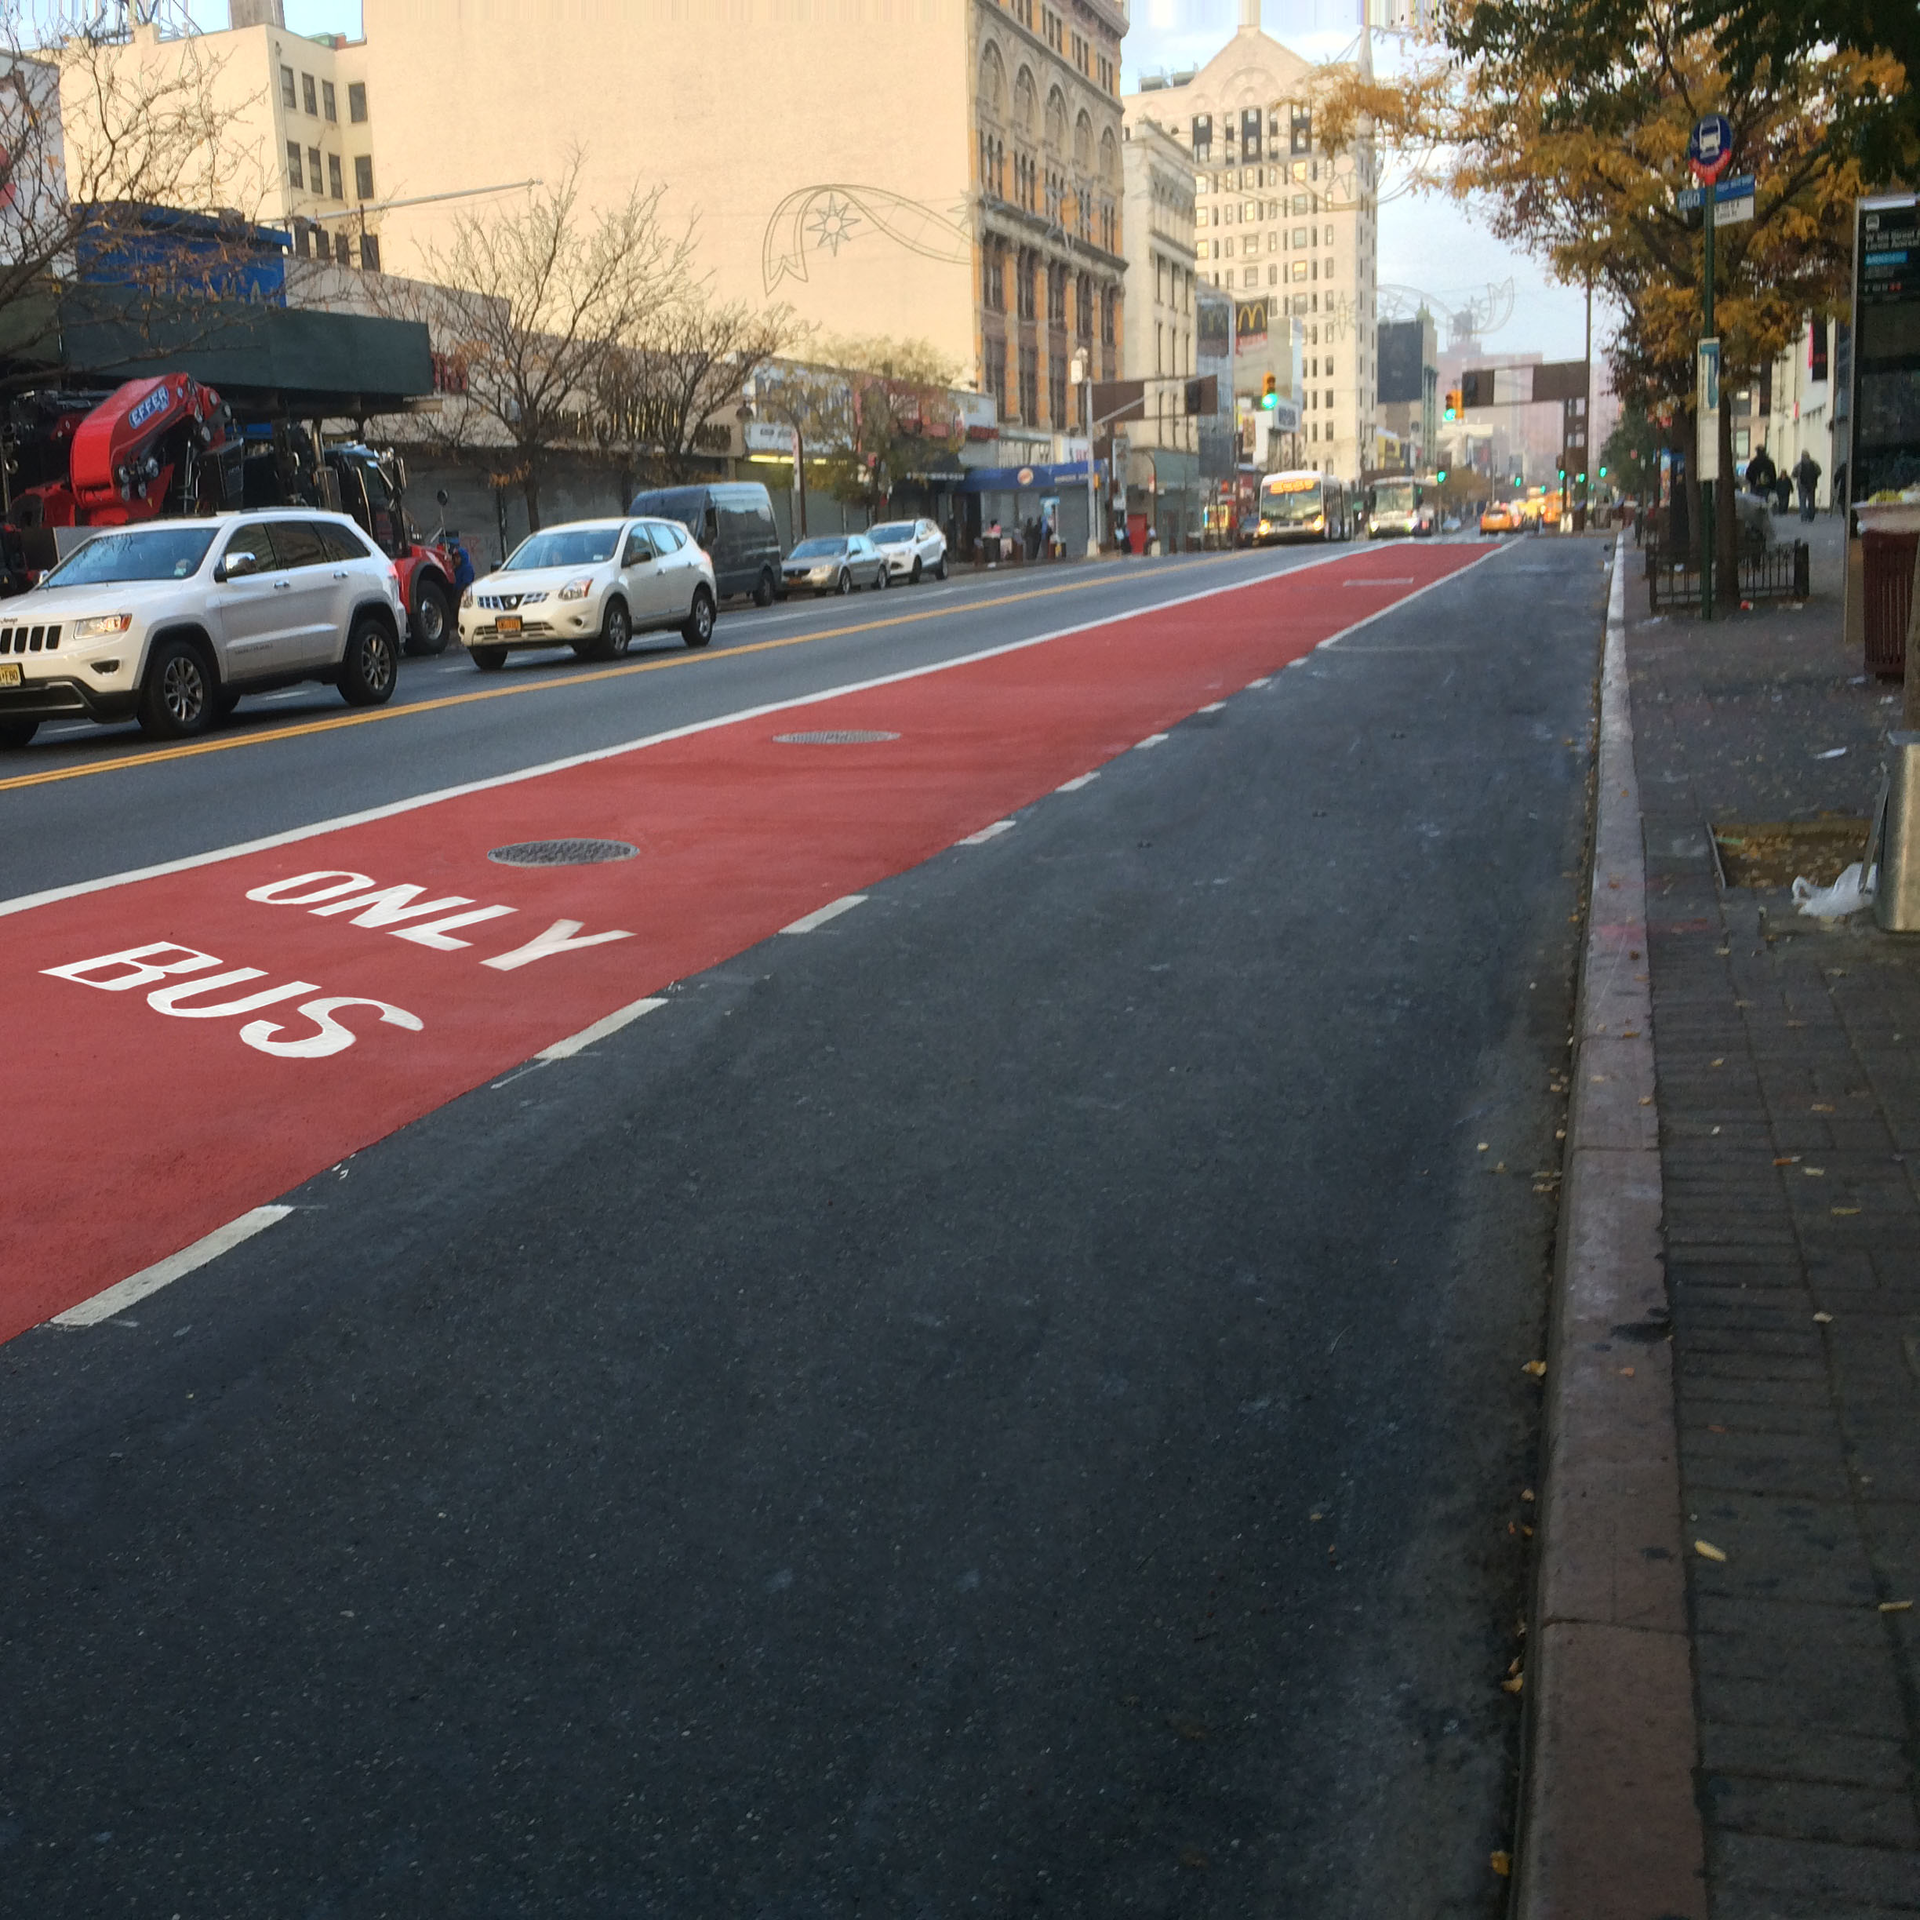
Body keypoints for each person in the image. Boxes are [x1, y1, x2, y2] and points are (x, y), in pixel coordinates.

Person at [1794, 450, 1822, 521]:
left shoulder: (1799, 465)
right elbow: (1819, 472)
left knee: (1802, 502)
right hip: (1812, 485)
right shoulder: (1814, 464)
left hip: (1802, 485)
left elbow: (1794, 474)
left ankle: (1804, 516)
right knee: (1811, 501)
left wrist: (1798, 476)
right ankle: (1811, 516)